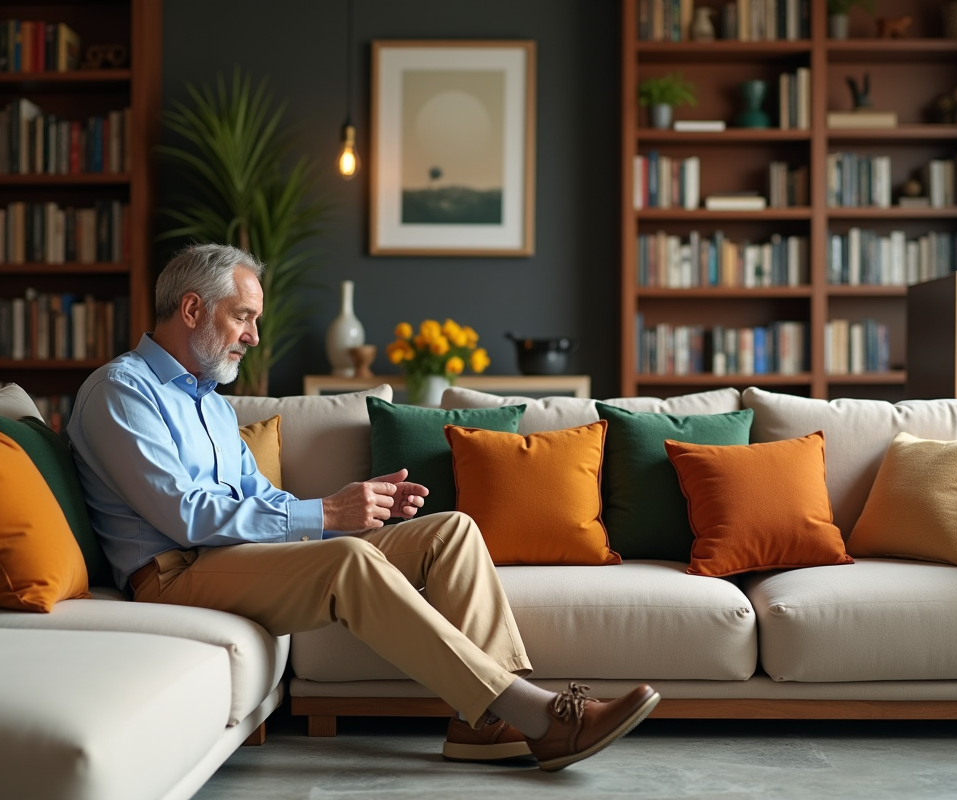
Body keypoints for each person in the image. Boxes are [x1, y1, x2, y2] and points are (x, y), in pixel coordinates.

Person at [66, 243, 659, 771]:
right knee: (348, 560)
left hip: (237, 555)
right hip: (175, 572)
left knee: (449, 531)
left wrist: (356, 507)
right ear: (193, 309)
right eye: (242, 316)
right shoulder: (123, 390)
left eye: (254, 320)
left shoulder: (216, 406)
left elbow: (261, 498)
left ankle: (481, 727)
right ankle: (542, 716)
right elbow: (184, 515)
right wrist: (327, 515)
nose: (253, 336)